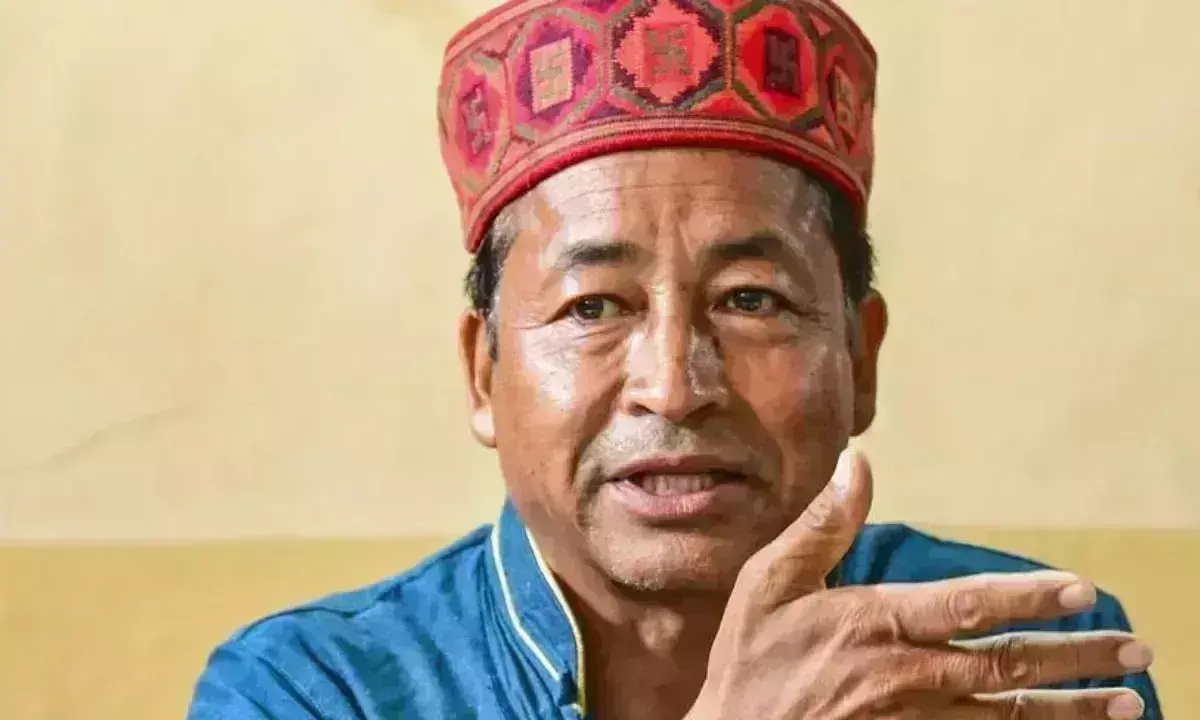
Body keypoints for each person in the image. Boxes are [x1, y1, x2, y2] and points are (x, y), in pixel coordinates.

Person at [187, 0, 1163, 718]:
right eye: (593, 306)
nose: (673, 386)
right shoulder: (312, 691)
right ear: (483, 372)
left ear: (859, 359)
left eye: (750, 300)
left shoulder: (1026, 658)